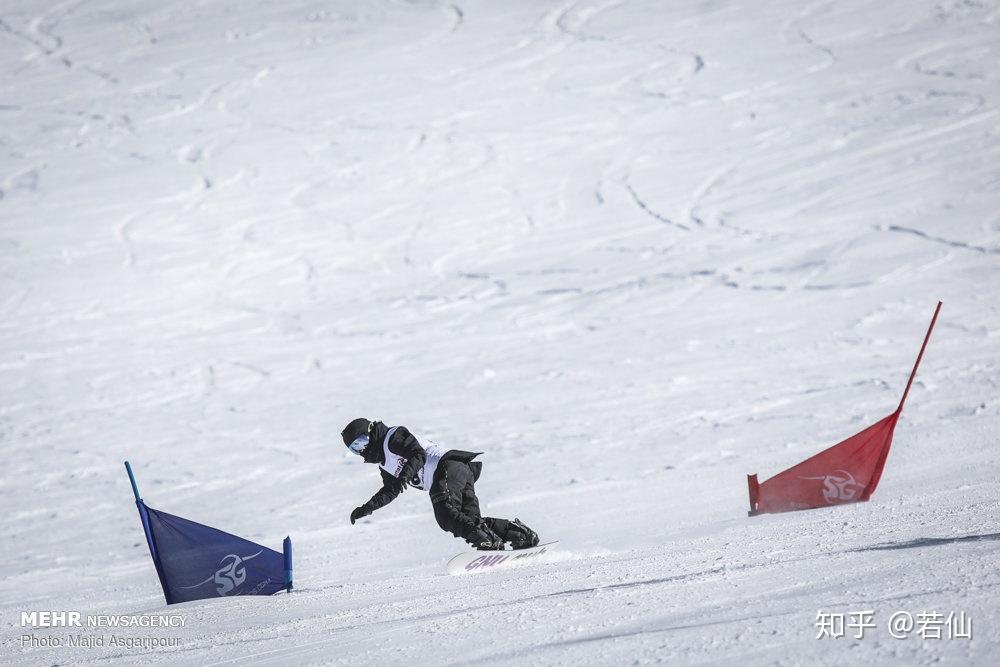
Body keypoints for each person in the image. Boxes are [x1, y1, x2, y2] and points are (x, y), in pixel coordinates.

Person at [341, 418, 539, 551]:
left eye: (361, 442)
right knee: (469, 521)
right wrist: (367, 508)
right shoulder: (385, 464)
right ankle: (519, 534)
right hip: (458, 471)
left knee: (446, 515)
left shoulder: (392, 437)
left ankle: (489, 542)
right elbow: (391, 490)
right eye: (355, 449)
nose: (362, 450)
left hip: (447, 467)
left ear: (370, 432)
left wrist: (404, 475)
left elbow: (418, 454)